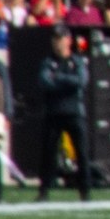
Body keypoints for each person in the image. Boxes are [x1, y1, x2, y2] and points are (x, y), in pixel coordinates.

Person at [33, 26, 93, 201]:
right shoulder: (47, 62)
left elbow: (81, 81)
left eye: (60, 39)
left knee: (81, 152)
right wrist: (67, 81)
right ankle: (44, 190)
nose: (57, 43)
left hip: (75, 112)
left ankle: (85, 190)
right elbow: (45, 82)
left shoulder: (77, 61)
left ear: (68, 41)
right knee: (48, 153)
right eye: (54, 39)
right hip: (53, 112)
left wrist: (58, 77)